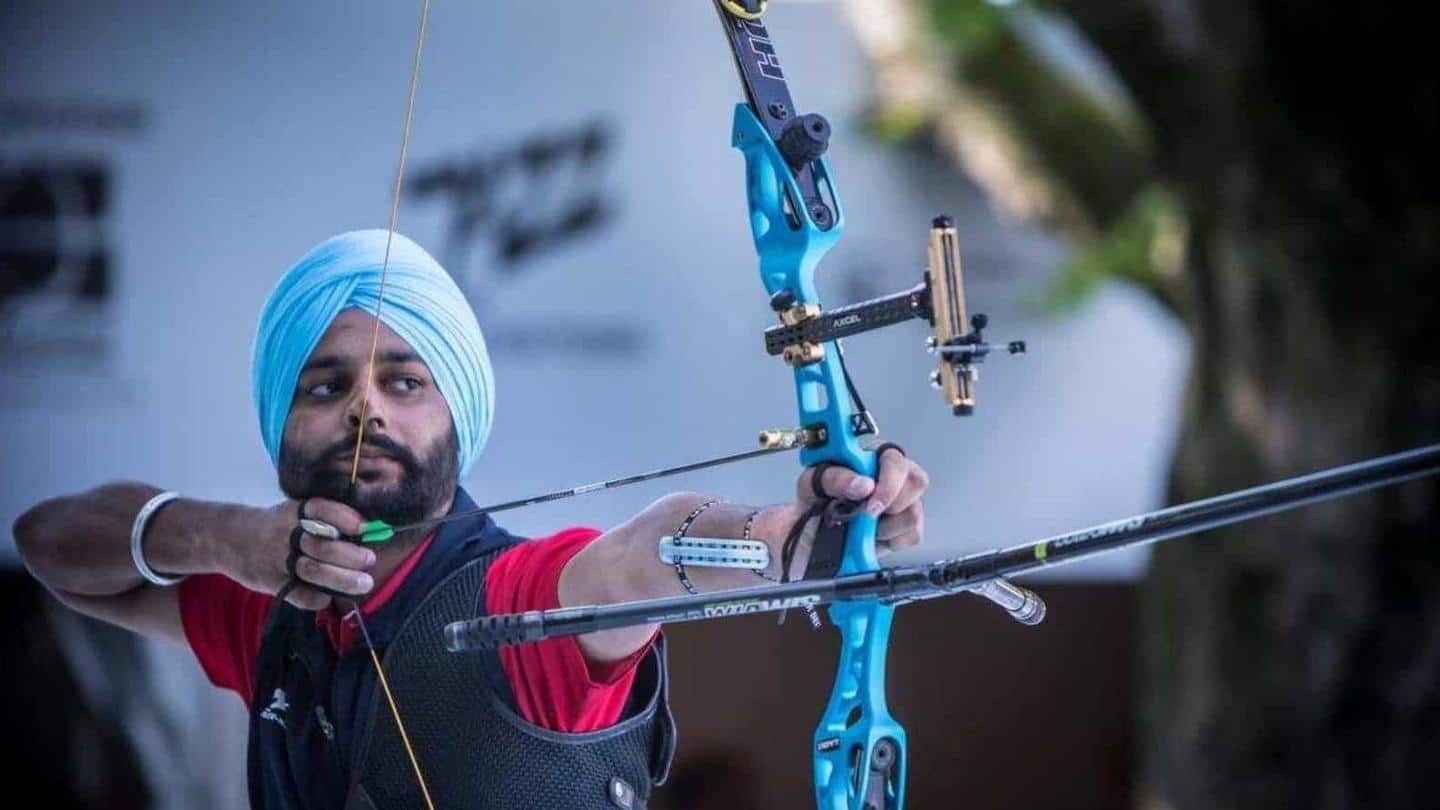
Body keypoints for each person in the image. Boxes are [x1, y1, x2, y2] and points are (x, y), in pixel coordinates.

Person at [13, 229, 931, 809]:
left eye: (404, 381)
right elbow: (47, 542)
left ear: (460, 415)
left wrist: (793, 535)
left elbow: (648, 553)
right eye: (325, 385)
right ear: (279, 421)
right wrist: (219, 537)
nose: (364, 410)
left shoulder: (516, 600)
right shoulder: (269, 608)